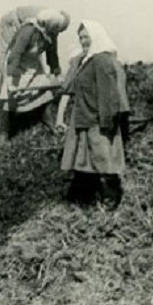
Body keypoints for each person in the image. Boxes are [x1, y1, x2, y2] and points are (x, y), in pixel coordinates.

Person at [58, 20, 127, 209]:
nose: (83, 41)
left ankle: (110, 202)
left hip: (98, 121)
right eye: (80, 38)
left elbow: (108, 95)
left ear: (96, 37)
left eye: (86, 37)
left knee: (105, 163)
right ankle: (90, 201)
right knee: (89, 162)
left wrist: (107, 123)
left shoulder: (102, 60)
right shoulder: (87, 60)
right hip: (85, 119)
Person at [0, 6, 70, 136]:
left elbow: (52, 54)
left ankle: (48, 120)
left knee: (44, 88)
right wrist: (10, 80)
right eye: (57, 30)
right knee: (10, 97)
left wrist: (57, 73)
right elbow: (15, 55)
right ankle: (5, 131)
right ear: (51, 25)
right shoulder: (28, 30)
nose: (57, 34)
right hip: (18, 64)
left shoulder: (51, 31)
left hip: (32, 63)